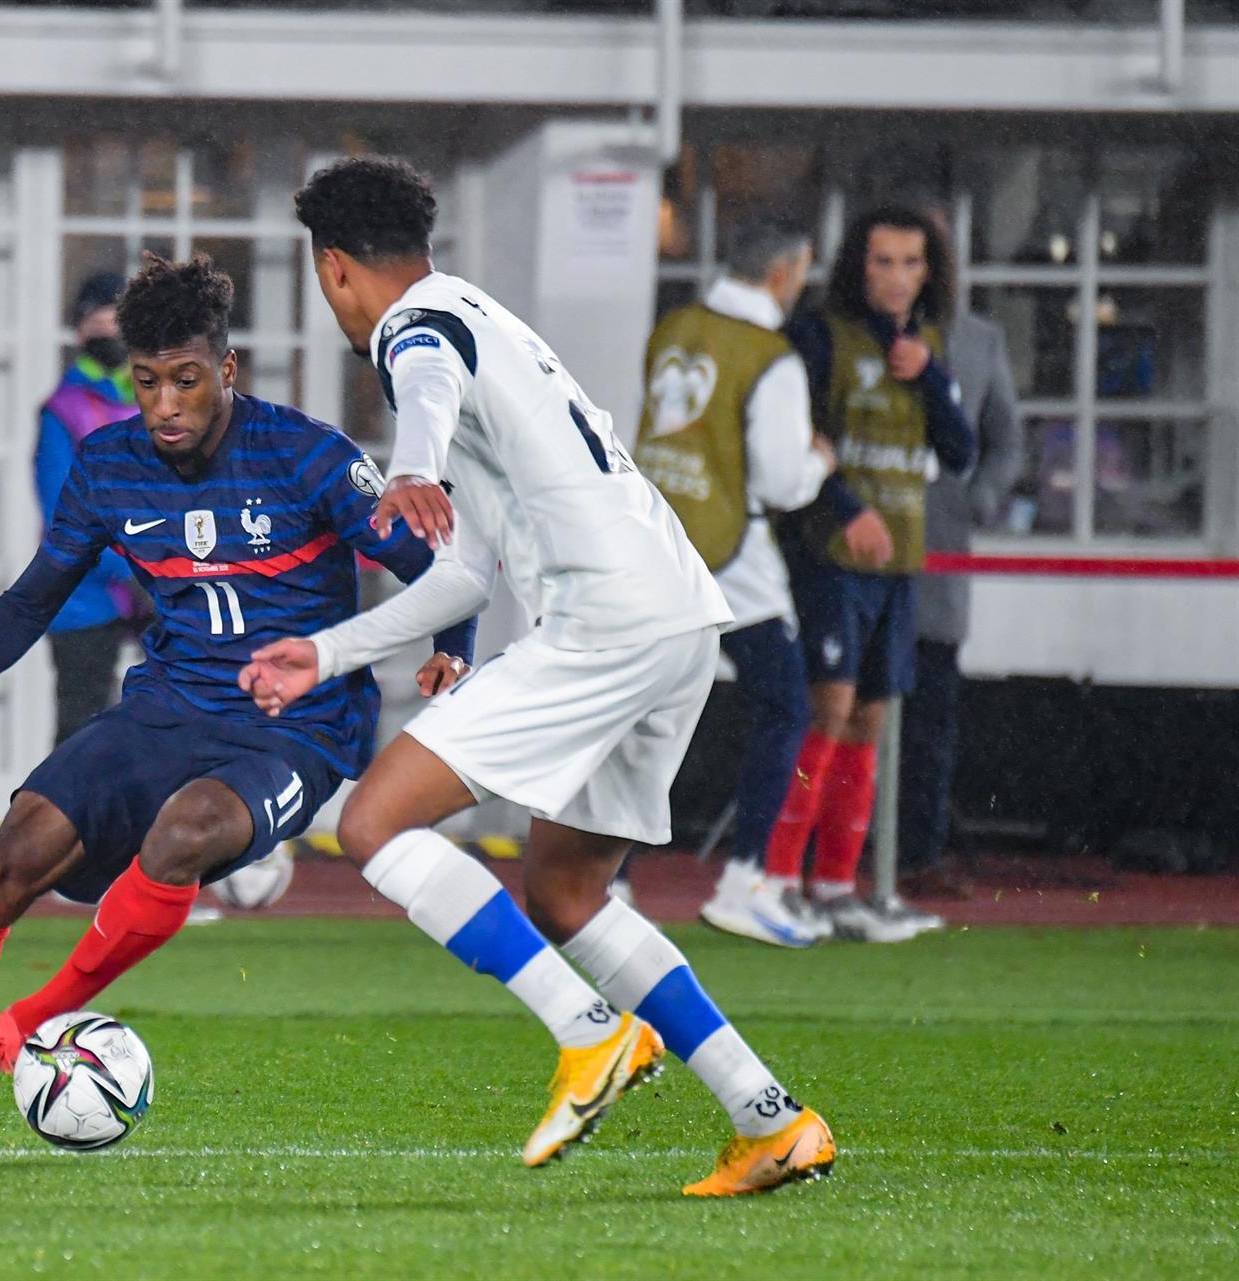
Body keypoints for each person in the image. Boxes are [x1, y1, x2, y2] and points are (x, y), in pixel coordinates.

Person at [0, 253, 494, 1156]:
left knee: (183, 831)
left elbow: (445, 575)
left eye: (185, 380)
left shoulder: (309, 457)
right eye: (146, 382)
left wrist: (454, 649)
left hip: (298, 727)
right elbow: (30, 602)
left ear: (226, 369)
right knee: (3, 860)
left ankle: (24, 1026)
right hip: (166, 707)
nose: (165, 404)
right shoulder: (107, 466)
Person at [245, 156, 833, 1195]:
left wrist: (412, 462)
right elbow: (467, 570)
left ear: (334, 271)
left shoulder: (416, 331)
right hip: (679, 619)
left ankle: (585, 1030)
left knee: (372, 826)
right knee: (566, 891)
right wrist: (331, 652)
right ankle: (769, 1116)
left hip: (607, 621)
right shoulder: (483, 320)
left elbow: (420, 377)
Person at [760, 206, 977, 942]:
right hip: (829, 553)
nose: (896, 277)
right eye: (881, 261)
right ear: (858, 266)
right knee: (827, 708)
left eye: (911, 263)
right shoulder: (819, 336)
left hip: (898, 560)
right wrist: (848, 506)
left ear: (930, 271)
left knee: (871, 719)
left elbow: (962, 452)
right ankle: (778, 879)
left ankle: (835, 887)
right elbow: (794, 438)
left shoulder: (928, 346)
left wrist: (934, 376)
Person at [628, 215, 837, 948]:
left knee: (643, 711)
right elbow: (781, 481)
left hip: (651, 541)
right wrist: (821, 463)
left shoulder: (676, 326)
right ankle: (744, 881)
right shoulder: (772, 357)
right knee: (783, 705)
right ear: (785, 270)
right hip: (732, 554)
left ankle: (612, 879)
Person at [899, 306, 1024, 900]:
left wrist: (980, 500)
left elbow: (1006, 441)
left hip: (940, 551)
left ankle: (917, 856)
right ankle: (823, 860)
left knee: (929, 719)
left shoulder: (980, 340)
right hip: (855, 546)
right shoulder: (846, 334)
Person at [37, 272, 147, 744]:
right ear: (80, 332)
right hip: (86, 592)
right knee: (80, 728)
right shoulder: (63, 410)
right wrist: (132, 569)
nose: (109, 335)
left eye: (117, 325)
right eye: (97, 325)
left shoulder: (154, 401)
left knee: (188, 710)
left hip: (159, 582)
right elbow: (66, 515)